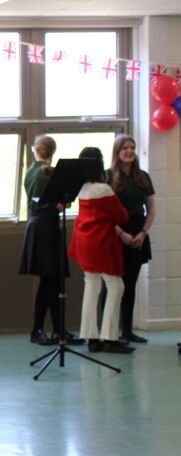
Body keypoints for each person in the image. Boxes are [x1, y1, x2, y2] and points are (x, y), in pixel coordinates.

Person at [18, 135, 84, 346]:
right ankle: (41, 329)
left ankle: (55, 329)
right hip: (47, 226)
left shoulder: (31, 171)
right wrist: (60, 201)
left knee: (51, 281)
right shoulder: (49, 173)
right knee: (50, 281)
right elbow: (61, 202)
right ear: (52, 152)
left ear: (35, 150)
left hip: (38, 225)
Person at [68, 148, 132, 354]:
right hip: (101, 242)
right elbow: (122, 216)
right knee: (116, 286)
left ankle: (91, 337)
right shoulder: (102, 190)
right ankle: (110, 337)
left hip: (84, 241)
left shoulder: (81, 189)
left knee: (91, 284)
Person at [107, 134, 156, 344]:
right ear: (117, 152)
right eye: (125, 148)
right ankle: (108, 332)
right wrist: (121, 233)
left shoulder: (143, 177)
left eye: (132, 148)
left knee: (130, 283)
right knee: (112, 285)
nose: (129, 151)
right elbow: (104, 212)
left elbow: (151, 209)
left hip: (138, 232)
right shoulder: (108, 176)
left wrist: (143, 233)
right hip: (116, 232)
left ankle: (127, 330)